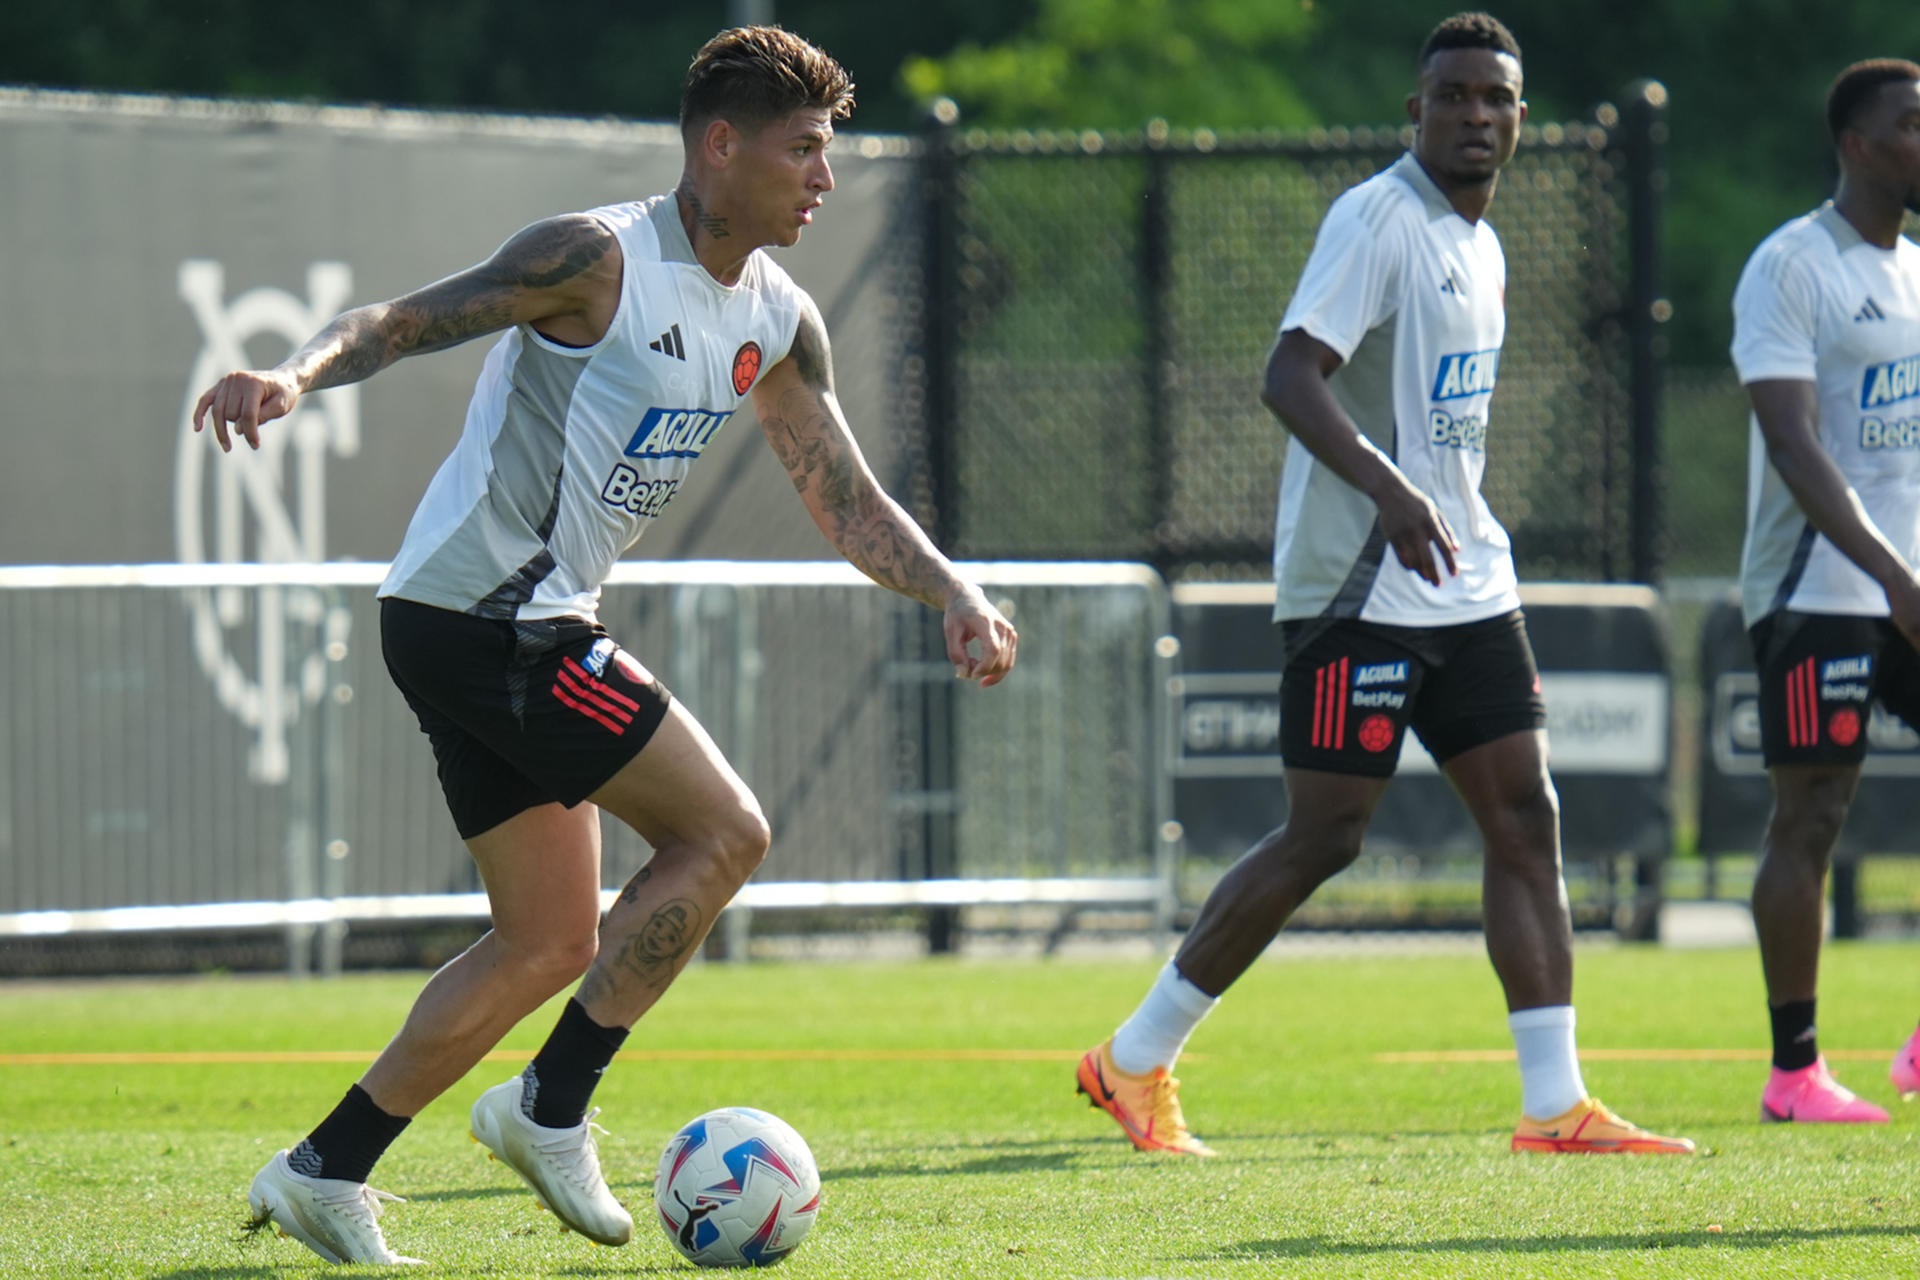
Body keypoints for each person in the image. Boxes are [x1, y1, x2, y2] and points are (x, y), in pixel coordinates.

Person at [194, 26, 1018, 1265]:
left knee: (548, 940)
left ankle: (326, 1166)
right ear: (720, 144)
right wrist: (296, 375)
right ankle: (550, 1104)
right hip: (492, 619)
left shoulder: (780, 320)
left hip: (490, 619)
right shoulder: (595, 258)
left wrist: (952, 588)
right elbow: (405, 321)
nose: (823, 179)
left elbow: (842, 496)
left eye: (830, 154)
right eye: (802, 150)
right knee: (727, 831)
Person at [1075, 11, 1693, 1159]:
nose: (1473, 115)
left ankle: (1554, 1104)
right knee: (1326, 837)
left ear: (1518, 117)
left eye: (1493, 98)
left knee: (1525, 816)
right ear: (1416, 109)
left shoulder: (1484, 242)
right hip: (1360, 581)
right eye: (1451, 95)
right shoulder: (1379, 218)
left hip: (1465, 576)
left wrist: (1435, 509)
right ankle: (1133, 1057)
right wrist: (1392, 494)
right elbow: (1290, 374)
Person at [1729, 58, 1920, 1123]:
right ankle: (1794, 1071)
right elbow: (1794, 442)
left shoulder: (1918, 273)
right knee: (1811, 817)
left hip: (1906, 581)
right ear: (1857, 142)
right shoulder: (1791, 266)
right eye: (1914, 124)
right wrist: (1893, 576)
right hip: (1819, 589)